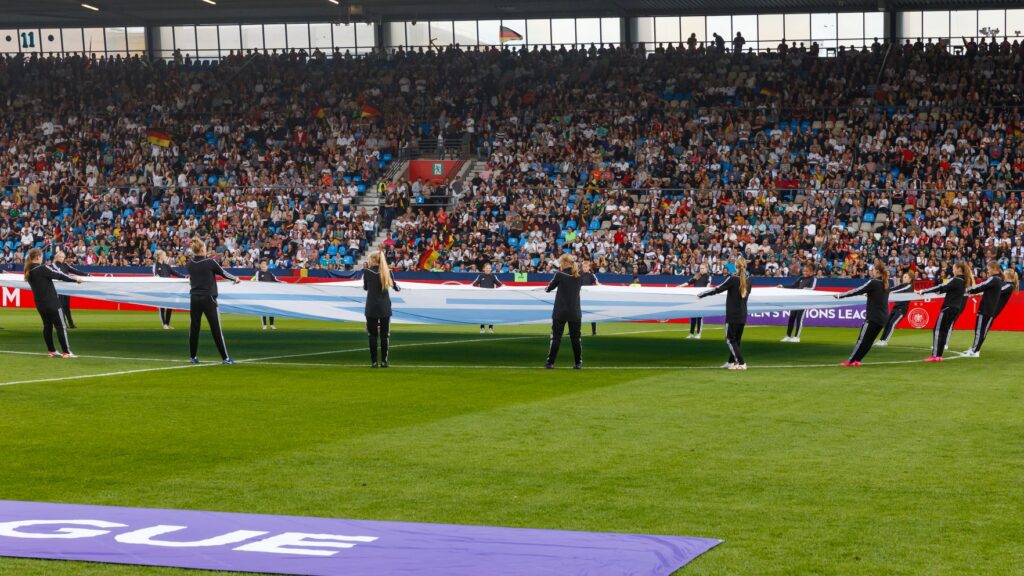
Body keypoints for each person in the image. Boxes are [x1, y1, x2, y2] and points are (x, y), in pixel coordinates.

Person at [186, 238, 240, 364]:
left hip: (194, 298)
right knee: (216, 329)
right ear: (202, 249)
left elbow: (191, 279)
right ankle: (225, 358)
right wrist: (235, 279)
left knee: (194, 328)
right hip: (208, 298)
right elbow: (223, 273)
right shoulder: (210, 262)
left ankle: (193, 357)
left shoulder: (190, 263)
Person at [24, 248, 83, 358]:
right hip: (52, 302)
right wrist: (75, 279)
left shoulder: (28, 271)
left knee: (47, 326)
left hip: (40, 304)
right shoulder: (42, 268)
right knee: (61, 326)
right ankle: (66, 352)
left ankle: (51, 351)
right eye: (41, 256)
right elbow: (60, 275)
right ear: (38, 257)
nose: (42, 258)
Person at [834, 259, 890, 366]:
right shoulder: (885, 284)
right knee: (869, 341)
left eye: (873, 270)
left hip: (873, 317)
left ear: (877, 271)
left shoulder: (873, 282)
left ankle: (850, 361)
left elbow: (858, 290)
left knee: (862, 340)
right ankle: (857, 360)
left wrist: (840, 295)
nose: (871, 272)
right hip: (882, 318)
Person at [698, 258, 750, 370]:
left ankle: (741, 363)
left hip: (733, 314)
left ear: (736, 266)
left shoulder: (733, 279)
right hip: (743, 314)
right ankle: (731, 362)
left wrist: (702, 294)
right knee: (736, 340)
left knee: (730, 340)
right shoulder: (748, 280)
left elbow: (718, 289)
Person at [917, 262, 973, 362]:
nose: (952, 270)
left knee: (937, 330)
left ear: (959, 269)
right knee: (944, 331)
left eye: (954, 268)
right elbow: (946, 289)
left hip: (948, 308)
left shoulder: (956, 280)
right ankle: (939, 355)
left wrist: (924, 291)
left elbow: (942, 287)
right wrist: (939, 291)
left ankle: (935, 355)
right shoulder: (963, 281)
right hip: (955, 309)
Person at [545, 253, 583, 369]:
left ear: (563, 262)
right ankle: (578, 362)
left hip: (560, 312)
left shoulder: (559, 275)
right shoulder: (578, 276)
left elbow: (548, 288)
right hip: (575, 312)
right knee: (576, 339)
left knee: (556, 338)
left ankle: (550, 362)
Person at [364, 250, 400, 368]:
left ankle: (374, 362)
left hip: (371, 307)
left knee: (372, 335)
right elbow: (396, 287)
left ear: (373, 260)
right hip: (385, 307)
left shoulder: (367, 272)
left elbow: (366, 287)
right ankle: (384, 361)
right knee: (385, 335)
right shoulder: (388, 272)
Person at [963, 261, 1005, 357]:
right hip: (990, 309)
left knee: (979, 330)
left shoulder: (994, 279)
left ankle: (974, 351)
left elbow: (981, 286)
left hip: (985, 309)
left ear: (994, 269)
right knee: (982, 331)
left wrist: (968, 290)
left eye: (988, 269)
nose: (987, 271)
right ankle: (976, 349)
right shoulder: (998, 280)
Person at [779, 264, 817, 342]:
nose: (804, 272)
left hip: (804, 302)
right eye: (804, 271)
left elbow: (812, 288)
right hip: (796, 301)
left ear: (811, 272)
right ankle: (788, 336)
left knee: (799, 319)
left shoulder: (813, 279)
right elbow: (793, 286)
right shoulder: (801, 278)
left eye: (806, 271)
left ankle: (796, 337)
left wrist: (807, 289)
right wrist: (783, 286)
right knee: (791, 318)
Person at [877, 270, 915, 346]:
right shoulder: (902, 285)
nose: (903, 278)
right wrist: (884, 290)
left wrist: (892, 292)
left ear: (910, 279)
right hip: (895, 307)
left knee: (892, 323)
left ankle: (885, 341)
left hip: (902, 309)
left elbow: (900, 290)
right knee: (887, 323)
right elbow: (893, 288)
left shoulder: (909, 286)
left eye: (905, 277)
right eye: (903, 277)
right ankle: (881, 340)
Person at [53, 250, 87, 329]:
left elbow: (75, 271)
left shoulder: (65, 265)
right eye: (60, 257)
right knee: (61, 307)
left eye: (63, 257)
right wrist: (72, 278)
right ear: (57, 257)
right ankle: (63, 324)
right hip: (59, 289)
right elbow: (61, 274)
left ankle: (71, 324)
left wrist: (87, 275)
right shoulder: (54, 265)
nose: (61, 258)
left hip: (66, 289)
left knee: (67, 307)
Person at [153, 249, 185, 330]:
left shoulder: (166, 266)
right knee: (161, 306)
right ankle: (164, 324)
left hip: (168, 288)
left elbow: (175, 273)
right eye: (164, 255)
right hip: (160, 289)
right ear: (160, 256)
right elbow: (155, 276)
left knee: (170, 306)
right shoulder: (155, 265)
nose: (165, 256)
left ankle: (167, 324)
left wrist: (185, 277)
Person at [472, 262, 502, 333]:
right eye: (487, 268)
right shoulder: (480, 276)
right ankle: (482, 328)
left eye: (489, 268)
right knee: (482, 313)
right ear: (484, 269)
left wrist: (507, 287)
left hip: (491, 298)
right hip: (482, 298)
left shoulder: (493, 276)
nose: (488, 269)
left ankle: (490, 328)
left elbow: (500, 284)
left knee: (491, 313)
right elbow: (474, 284)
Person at [254, 260, 280, 330]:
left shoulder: (270, 273)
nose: (263, 266)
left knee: (272, 310)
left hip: (270, 295)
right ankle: (264, 325)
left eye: (264, 265)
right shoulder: (258, 273)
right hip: (262, 295)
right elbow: (257, 283)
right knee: (263, 310)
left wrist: (282, 282)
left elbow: (276, 280)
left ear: (267, 266)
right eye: (262, 265)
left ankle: (272, 324)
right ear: (260, 266)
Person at [686, 264, 710, 339]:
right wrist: (679, 286)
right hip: (695, 298)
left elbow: (708, 285)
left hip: (702, 299)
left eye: (703, 268)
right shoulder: (696, 276)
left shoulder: (708, 276)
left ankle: (699, 333)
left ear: (706, 269)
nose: (701, 269)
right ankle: (691, 333)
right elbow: (688, 283)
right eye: (700, 268)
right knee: (693, 316)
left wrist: (704, 292)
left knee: (699, 317)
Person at [580, 261, 599, 336]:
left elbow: (596, 284)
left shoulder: (591, 275)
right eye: (583, 267)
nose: (584, 268)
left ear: (589, 267)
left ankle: (594, 331)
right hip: (580, 297)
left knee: (592, 314)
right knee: (577, 314)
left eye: (586, 267)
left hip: (589, 298)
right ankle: (576, 330)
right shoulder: (578, 274)